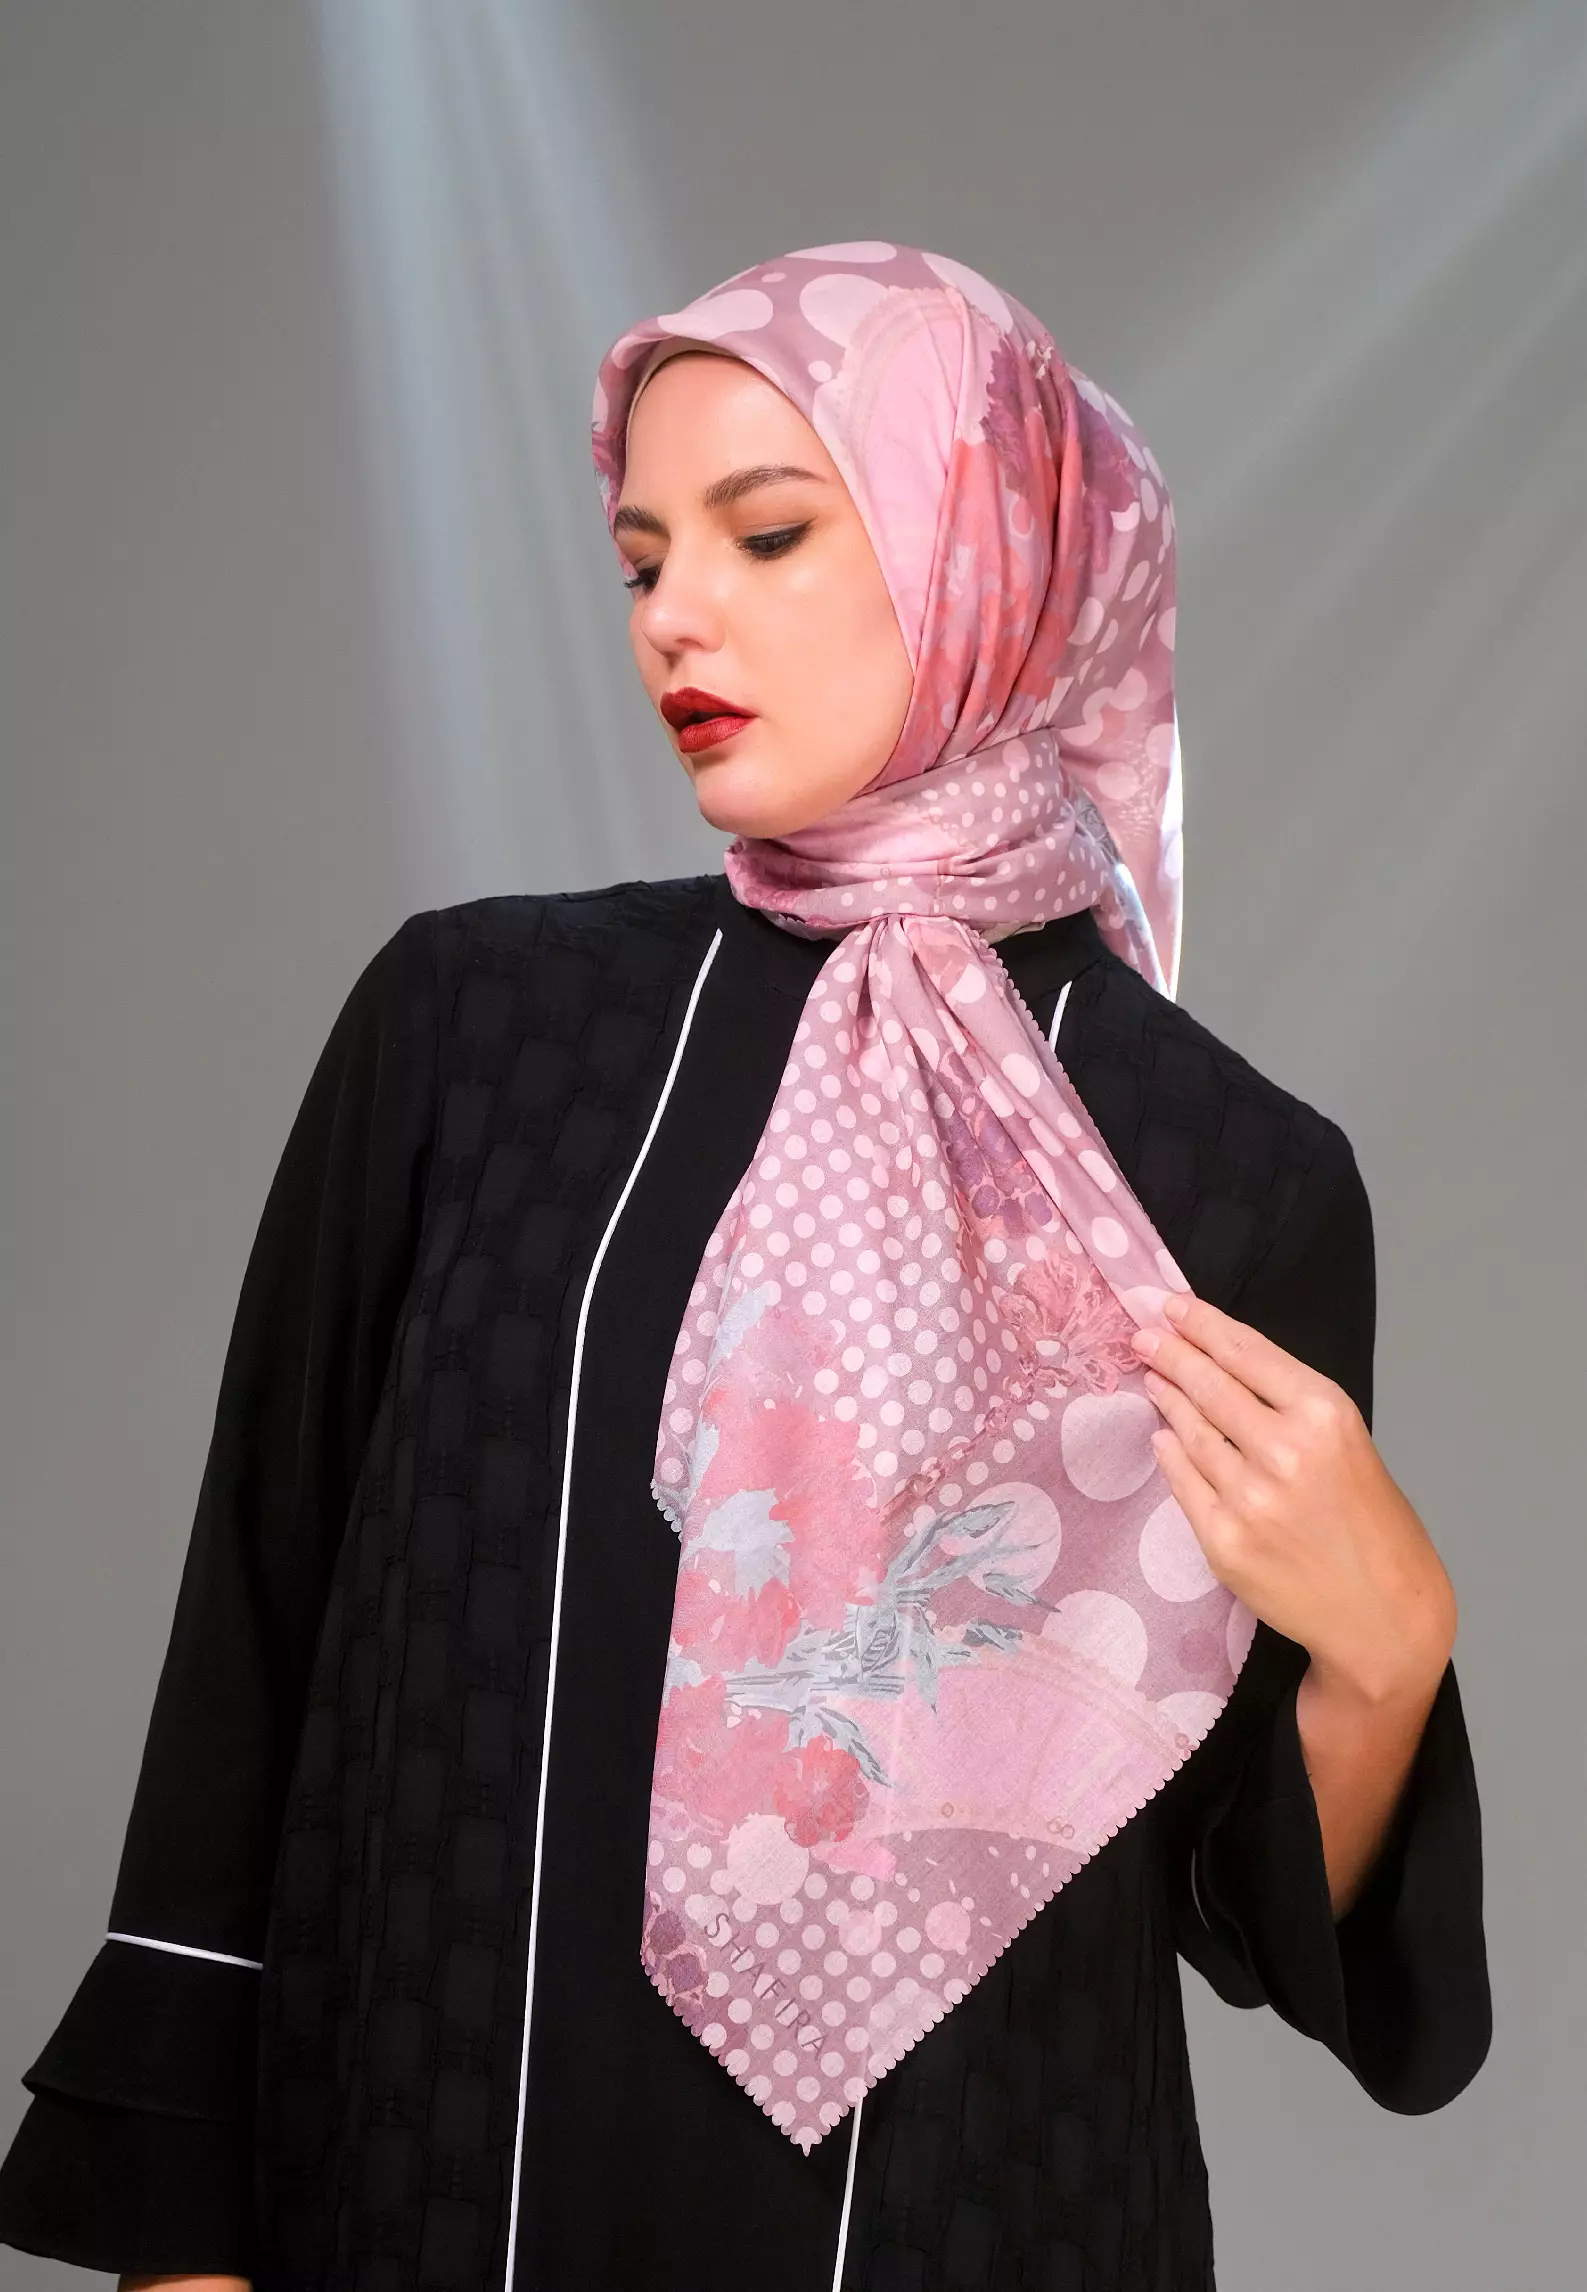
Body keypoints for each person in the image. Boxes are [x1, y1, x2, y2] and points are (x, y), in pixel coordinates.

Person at [0, 242, 1489, 2290]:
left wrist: (1386, 1650)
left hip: (978, 2226)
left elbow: (1227, 1887)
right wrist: (179, 2247)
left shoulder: (1225, 1176)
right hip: (434, 2183)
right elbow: (251, 1660)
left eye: (768, 534)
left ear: (991, 551)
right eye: (640, 561)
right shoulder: (476, 1034)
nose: (673, 616)